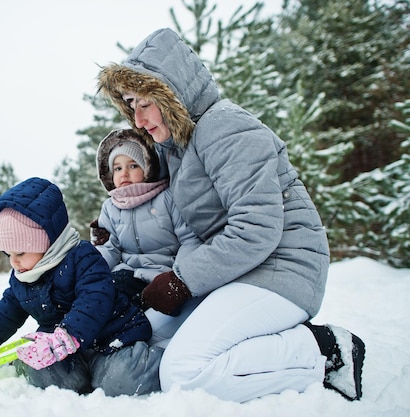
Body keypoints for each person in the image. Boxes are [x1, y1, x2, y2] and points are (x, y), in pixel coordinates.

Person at [96, 27, 365, 402]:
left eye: (144, 103)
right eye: (130, 105)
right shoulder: (180, 147)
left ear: (170, 93)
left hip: (283, 269)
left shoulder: (225, 128)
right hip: (237, 273)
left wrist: (181, 281)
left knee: (183, 372)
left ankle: (322, 349)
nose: (137, 119)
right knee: (148, 335)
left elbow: (256, 228)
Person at [0, 177, 162, 396]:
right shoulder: (23, 277)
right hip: (61, 352)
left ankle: (156, 362)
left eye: (20, 252)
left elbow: (94, 299)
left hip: (110, 340)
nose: (14, 261)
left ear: (45, 241)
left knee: (122, 379)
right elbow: (3, 316)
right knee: (45, 374)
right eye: (8, 254)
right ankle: (60, 373)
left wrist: (68, 336)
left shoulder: (82, 257)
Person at [94, 128, 201, 314]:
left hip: (162, 275)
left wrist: (178, 277)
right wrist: (92, 271)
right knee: (102, 292)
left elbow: (190, 240)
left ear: (148, 167)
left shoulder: (166, 198)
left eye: (133, 165)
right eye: (118, 168)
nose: (124, 173)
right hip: (128, 274)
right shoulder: (111, 207)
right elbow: (109, 248)